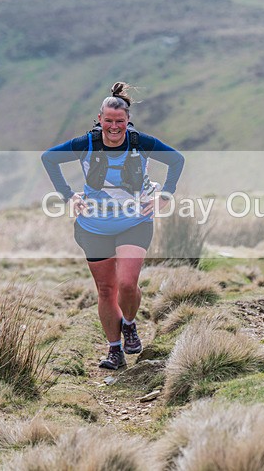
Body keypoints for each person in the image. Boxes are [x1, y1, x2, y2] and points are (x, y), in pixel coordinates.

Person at [42, 82, 184, 369]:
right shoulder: (87, 143)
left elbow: (176, 160)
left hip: (135, 221)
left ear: (128, 120)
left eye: (120, 121)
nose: (114, 127)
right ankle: (114, 350)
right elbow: (49, 158)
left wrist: (165, 195)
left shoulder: (140, 142)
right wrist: (68, 195)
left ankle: (129, 323)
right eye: (109, 121)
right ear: (100, 119)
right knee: (106, 290)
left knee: (127, 284)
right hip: (93, 226)